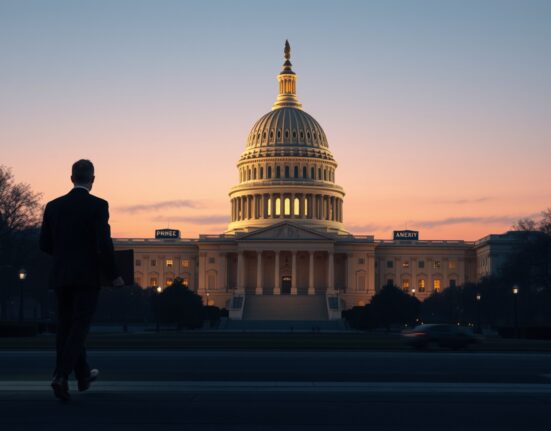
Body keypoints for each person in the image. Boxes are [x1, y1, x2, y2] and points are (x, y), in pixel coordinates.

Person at [39, 159, 124, 401]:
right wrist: (114, 274)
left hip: (61, 275)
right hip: (87, 276)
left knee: (65, 328)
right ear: (93, 179)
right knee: (79, 327)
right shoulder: (98, 205)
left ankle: (83, 375)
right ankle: (61, 375)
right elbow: (103, 243)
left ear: (71, 178)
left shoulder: (53, 206)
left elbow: (44, 244)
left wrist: (64, 254)